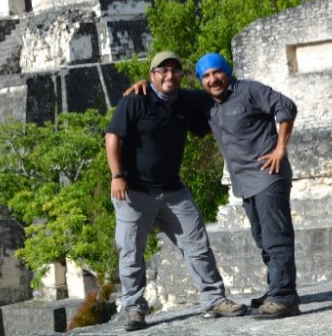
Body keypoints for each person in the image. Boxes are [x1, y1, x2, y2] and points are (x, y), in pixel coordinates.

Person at [125, 52, 301, 319]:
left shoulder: (250, 90)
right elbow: (168, 88)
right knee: (264, 239)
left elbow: (286, 107)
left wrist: (280, 148)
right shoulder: (203, 100)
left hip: (269, 175)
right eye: (205, 76)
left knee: (277, 238)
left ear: (226, 72)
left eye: (217, 72)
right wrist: (144, 83)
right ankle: (276, 289)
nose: (213, 79)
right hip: (244, 181)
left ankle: (284, 297)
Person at [107, 51, 246, 331]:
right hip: (133, 191)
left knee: (197, 245)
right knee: (131, 252)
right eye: (163, 71)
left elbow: (215, 104)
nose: (169, 76)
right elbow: (112, 138)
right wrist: (117, 176)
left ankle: (214, 299)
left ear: (182, 75)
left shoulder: (185, 101)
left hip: (172, 190)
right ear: (152, 76)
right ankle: (134, 309)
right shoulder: (135, 100)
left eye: (175, 70)